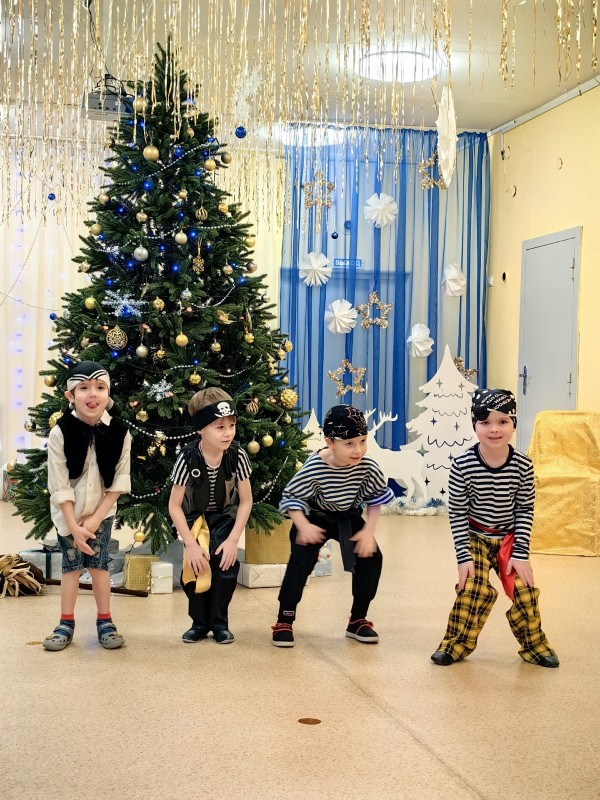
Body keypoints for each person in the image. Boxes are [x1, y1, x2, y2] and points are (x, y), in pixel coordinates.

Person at [431, 388, 559, 668]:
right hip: (475, 537)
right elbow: (457, 513)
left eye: (503, 421)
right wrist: (463, 557)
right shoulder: (462, 465)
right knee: (471, 587)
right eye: (485, 422)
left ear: (514, 424)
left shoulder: (523, 466)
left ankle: (535, 646)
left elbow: (525, 510)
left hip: (508, 539)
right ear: (474, 425)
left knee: (525, 590)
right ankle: (455, 644)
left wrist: (521, 554)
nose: (494, 429)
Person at [271, 404, 394, 647]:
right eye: (349, 444)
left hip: (347, 517)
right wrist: (303, 526)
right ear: (330, 442)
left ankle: (357, 619)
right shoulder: (315, 467)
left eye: (363, 441)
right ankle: (284, 620)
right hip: (313, 518)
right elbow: (291, 498)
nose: (358, 450)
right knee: (300, 563)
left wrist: (368, 531)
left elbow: (376, 499)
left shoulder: (367, 466)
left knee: (371, 559)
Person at [43, 361, 131, 651]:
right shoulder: (60, 432)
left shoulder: (120, 432)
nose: (93, 394)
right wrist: (73, 525)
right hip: (67, 513)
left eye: (100, 387)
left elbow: (119, 482)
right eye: (83, 388)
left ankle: (105, 620)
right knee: (70, 567)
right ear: (70, 395)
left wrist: (94, 520)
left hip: (101, 512)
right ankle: (65, 622)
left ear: (108, 393)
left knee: (99, 565)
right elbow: (59, 485)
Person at [169, 388, 252, 644]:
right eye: (220, 427)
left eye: (231, 425)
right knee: (196, 568)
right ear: (201, 429)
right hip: (194, 520)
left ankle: (219, 623)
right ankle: (199, 623)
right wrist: (191, 545)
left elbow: (246, 501)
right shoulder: (187, 458)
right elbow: (174, 506)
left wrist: (233, 540)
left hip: (224, 518)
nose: (228, 433)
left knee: (225, 567)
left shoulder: (237, 456)